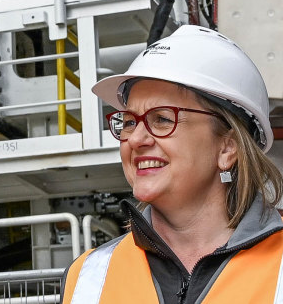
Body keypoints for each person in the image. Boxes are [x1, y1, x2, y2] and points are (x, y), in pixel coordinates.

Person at [61, 25, 283, 303]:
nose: (136, 139)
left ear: (227, 148)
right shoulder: (88, 277)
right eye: (129, 122)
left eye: (163, 119)